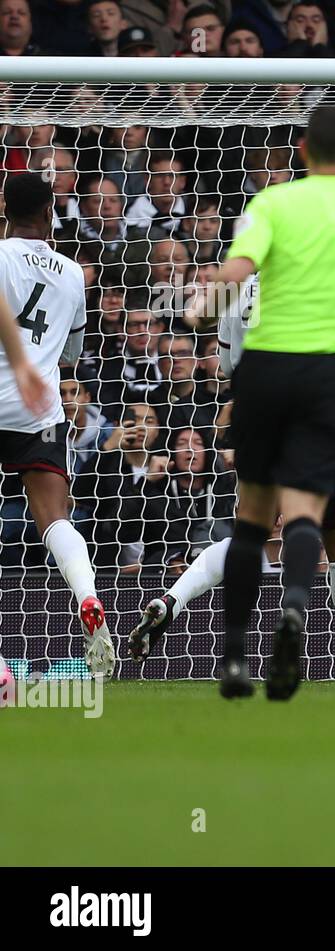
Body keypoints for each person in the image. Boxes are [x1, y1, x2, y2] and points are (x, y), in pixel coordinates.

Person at [184, 105, 335, 699]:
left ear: (302, 150)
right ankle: (294, 611)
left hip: (262, 372)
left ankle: (235, 657)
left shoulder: (271, 204)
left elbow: (235, 271)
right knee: (310, 514)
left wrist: (203, 308)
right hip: (325, 373)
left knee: (252, 517)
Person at [0, 172, 113, 677]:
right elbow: (71, 351)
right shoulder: (72, 274)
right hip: (40, 409)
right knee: (54, 518)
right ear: (50, 212)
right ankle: (88, 597)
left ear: (5, 209)